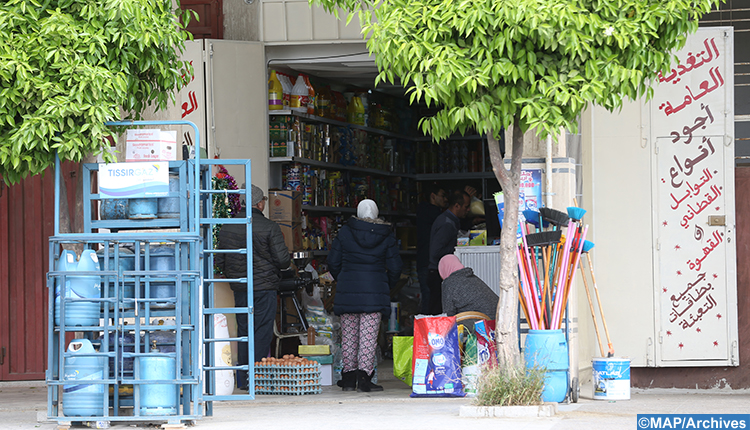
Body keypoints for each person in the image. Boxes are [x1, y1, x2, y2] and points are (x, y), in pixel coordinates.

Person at [216, 184, 291, 390]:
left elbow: (219, 261)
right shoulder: (269, 227)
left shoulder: (227, 226)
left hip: (240, 287)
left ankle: (242, 379)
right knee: (262, 331)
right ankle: (256, 378)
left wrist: (233, 274)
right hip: (265, 287)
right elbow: (283, 261)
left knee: (243, 331)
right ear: (259, 203)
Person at [328, 199, 403, 392]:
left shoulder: (345, 232)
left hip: (348, 292)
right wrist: (386, 284)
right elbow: (396, 267)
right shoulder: (385, 234)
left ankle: (348, 379)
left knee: (349, 337)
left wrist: (343, 279)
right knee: (368, 338)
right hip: (374, 293)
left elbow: (333, 262)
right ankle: (364, 378)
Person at [427, 189, 471, 314]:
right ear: (457, 206)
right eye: (466, 206)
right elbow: (436, 252)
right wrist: (457, 248)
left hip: (438, 272)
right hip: (437, 273)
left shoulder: (450, 221)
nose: (468, 210)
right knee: (437, 312)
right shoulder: (447, 224)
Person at [415, 183, 447, 314]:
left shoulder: (425, 212)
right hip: (428, 263)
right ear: (433, 196)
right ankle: (426, 330)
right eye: (443, 196)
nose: (445, 199)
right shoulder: (432, 214)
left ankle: (427, 329)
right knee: (430, 299)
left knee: (430, 298)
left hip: (425, 262)